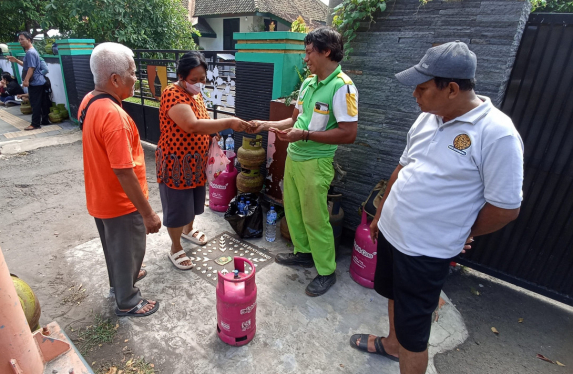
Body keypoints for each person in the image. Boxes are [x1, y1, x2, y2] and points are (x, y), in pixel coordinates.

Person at [349, 41, 524, 374]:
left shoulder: (497, 134)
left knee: (416, 332)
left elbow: (505, 207)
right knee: (393, 295)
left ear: (453, 89)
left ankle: (405, 349)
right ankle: (391, 344)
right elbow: (403, 167)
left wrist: (463, 231)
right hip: (391, 233)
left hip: (426, 251)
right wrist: (382, 211)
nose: (415, 94)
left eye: (423, 87)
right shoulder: (428, 117)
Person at [248, 27, 358, 296]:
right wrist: (265, 124)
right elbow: (295, 120)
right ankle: (304, 253)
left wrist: (306, 134)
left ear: (326, 51)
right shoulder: (308, 84)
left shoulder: (342, 87)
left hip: (316, 163)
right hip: (295, 158)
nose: (305, 58)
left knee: (315, 217)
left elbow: (349, 133)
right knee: (294, 210)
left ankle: (326, 271)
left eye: (309, 52)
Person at [79, 42, 161, 317]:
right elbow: (123, 170)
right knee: (128, 248)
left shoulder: (90, 101)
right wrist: (147, 213)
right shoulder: (114, 116)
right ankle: (128, 300)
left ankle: (121, 281)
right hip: (120, 203)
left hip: (100, 197)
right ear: (115, 79)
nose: (136, 79)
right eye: (133, 73)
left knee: (115, 248)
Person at [155, 51, 250, 270]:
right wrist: (229, 122)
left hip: (197, 162)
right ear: (180, 76)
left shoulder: (195, 95)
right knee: (178, 207)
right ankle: (176, 247)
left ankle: (188, 231)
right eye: (194, 80)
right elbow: (191, 125)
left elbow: (203, 120)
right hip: (176, 164)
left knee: (194, 203)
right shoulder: (172, 94)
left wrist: (212, 133)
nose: (199, 84)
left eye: (202, 79)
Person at [7, 31, 50, 130]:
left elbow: (31, 68)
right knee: (43, 102)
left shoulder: (30, 52)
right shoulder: (32, 51)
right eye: (19, 40)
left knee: (35, 103)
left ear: (29, 40)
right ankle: (45, 121)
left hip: (35, 82)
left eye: (22, 39)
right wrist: (16, 60)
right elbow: (28, 66)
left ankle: (35, 124)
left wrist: (26, 80)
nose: (20, 41)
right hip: (40, 81)